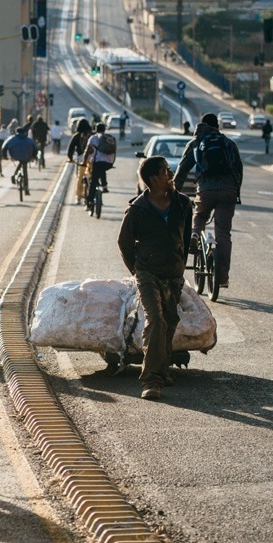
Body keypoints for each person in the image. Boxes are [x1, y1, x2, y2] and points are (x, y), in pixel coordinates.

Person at [117, 156, 193, 401]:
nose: (170, 174)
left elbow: (187, 237)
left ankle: (164, 367)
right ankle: (151, 380)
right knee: (156, 321)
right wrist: (137, 271)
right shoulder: (138, 209)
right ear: (153, 179)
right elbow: (124, 243)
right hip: (148, 273)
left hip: (173, 273)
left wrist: (180, 264)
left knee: (170, 320)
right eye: (165, 171)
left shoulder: (182, 204)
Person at [173, 112, 243, 289]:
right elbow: (238, 169)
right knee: (223, 233)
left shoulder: (196, 142)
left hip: (205, 189)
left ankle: (195, 234)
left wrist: (175, 192)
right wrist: (236, 191)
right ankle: (222, 278)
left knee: (200, 215)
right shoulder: (228, 143)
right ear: (217, 126)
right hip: (228, 191)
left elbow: (182, 169)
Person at [82, 122, 116, 207]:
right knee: (102, 170)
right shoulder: (110, 138)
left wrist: (84, 162)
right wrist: (112, 162)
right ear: (104, 129)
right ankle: (104, 185)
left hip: (98, 162)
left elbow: (87, 151)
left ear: (96, 129)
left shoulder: (93, 138)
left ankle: (89, 200)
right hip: (109, 162)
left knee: (94, 181)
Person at [1, 127, 38, 195]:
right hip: (27, 157)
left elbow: (4, 147)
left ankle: (14, 175)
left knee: (20, 162)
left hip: (15, 156)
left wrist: (4, 156)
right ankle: (26, 187)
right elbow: (36, 148)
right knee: (25, 169)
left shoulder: (11, 139)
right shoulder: (29, 140)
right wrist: (33, 157)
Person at [67, 118, 94, 204]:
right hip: (92, 157)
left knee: (80, 177)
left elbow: (70, 149)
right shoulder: (93, 135)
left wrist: (70, 158)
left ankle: (78, 198)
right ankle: (92, 194)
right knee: (91, 176)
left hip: (81, 158)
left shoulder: (76, 136)